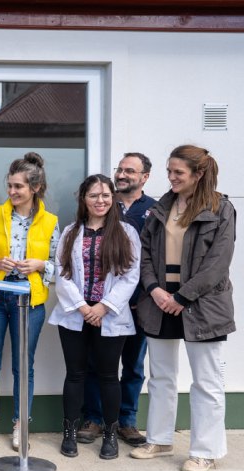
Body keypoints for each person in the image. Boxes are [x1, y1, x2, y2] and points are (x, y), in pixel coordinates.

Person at [130, 145, 235, 471]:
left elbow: (217, 264)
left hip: (203, 306)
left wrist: (182, 297)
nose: (171, 177)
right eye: (169, 171)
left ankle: (205, 451)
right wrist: (155, 290)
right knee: (160, 376)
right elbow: (145, 255)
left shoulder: (221, 208)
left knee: (207, 381)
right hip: (160, 302)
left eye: (178, 172)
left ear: (198, 174)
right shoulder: (164, 206)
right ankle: (159, 439)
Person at [49, 174, 140, 460]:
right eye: (93, 195)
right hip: (76, 314)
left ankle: (110, 435)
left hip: (110, 314)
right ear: (83, 200)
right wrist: (82, 306)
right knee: (75, 374)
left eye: (105, 195)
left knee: (108, 376)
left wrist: (103, 307)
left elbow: (131, 275)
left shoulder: (126, 232)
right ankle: (70, 433)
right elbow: (61, 272)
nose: (100, 201)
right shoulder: (71, 232)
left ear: (112, 198)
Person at [0, 152, 60, 451]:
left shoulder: (50, 221)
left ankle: (21, 424)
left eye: (18, 187)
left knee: (24, 366)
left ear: (34, 188)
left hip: (30, 299)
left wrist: (38, 265)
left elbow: (60, 265)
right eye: (9, 185)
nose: (11, 192)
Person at [78, 153, 156, 447]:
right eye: (120, 170)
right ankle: (94, 419)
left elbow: (150, 260)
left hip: (137, 304)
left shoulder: (154, 210)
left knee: (133, 366)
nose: (122, 175)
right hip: (100, 306)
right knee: (96, 365)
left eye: (130, 171)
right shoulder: (104, 206)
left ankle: (127, 421)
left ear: (144, 177)